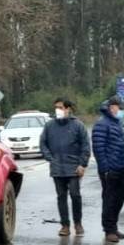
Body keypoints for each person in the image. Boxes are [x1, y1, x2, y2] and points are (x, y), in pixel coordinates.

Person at [40, 98, 91, 237]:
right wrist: (50, 158)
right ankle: (65, 225)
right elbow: (43, 144)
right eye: (56, 107)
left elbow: (86, 146)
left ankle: (78, 223)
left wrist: (82, 164)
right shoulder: (49, 126)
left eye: (61, 107)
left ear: (68, 109)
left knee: (75, 195)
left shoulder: (78, 125)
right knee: (61, 197)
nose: (58, 110)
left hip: (74, 168)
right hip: (57, 169)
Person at [91, 96, 124, 243]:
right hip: (109, 170)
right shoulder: (102, 124)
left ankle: (113, 226)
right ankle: (108, 230)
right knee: (109, 199)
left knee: (119, 198)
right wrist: (105, 168)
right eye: (120, 108)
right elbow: (98, 148)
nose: (122, 111)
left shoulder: (119, 123)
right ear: (112, 107)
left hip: (121, 168)